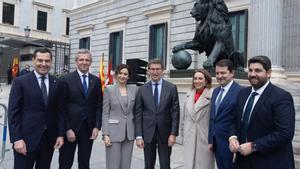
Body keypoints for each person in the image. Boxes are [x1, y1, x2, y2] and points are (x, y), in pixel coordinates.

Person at [229, 55, 295, 169]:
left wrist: (253, 146)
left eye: (258, 70)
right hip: (243, 162)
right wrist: (232, 137)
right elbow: (234, 120)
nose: (253, 74)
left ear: (268, 73)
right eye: (250, 70)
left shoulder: (281, 97)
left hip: (270, 162)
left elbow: (285, 134)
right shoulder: (242, 94)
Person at [8, 48, 64, 169]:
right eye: (40, 60)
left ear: (51, 62)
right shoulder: (20, 82)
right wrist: (16, 139)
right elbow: (13, 113)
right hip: (25, 141)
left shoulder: (57, 83)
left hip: (48, 140)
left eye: (47, 61)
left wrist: (60, 135)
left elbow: (60, 111)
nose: (43, 64)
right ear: (33, 60)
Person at [58, 49, 102, 169]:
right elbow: (61, 108)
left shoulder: (96, 81)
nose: (84, 62)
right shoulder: (65, 80)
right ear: (76, 62)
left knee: (84, 163)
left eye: (87, 60)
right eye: (81, 59)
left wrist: (97, 126)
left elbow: (99, 105)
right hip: (70, 129)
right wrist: (67, 129)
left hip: (88, 129)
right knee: (65, 163)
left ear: (91, 62)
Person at [135, 59, 180, 169]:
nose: (155, 72)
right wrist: (139, 136)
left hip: (165, 133)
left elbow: (175, 112)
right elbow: (138, 113)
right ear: (148, 71)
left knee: (165, 165)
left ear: (163, 70)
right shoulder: (141, 89)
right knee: (148, 165)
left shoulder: (171, 88)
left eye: (158, 69)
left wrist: (173, 134)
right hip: (147, 133)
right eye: (152, 69)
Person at [102, 64, 137, 169]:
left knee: (126, 165)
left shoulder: (134, 89)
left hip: (129, 133)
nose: (123, 76)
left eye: (125, 74)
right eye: (120, 73)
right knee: (113, 164)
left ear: (129, 76)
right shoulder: (109, 89)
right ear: (116, 75)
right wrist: (105, 134)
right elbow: (105, 113)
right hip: (113, 133)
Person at [208, 59, 242, 169]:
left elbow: (240, 120)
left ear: (232, 73)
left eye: (223, 73)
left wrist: (237, 143)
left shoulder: (241, 92)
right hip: (216, 144)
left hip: (231, 145)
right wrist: (210, 140)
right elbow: (213, 118)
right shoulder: (216, 91)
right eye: (217, 73)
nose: (219, 76)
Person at [183, 69, 214, 169]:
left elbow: (213, 120)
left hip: (204, 139)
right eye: (195, 79)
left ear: (206, 81)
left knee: (203, 165)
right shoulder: (188, 95)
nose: (197, 81)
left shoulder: (212, 96)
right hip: (189, 137)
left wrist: (212, 140)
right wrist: (184, 134)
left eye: (200, 78)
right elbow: (184, 118)